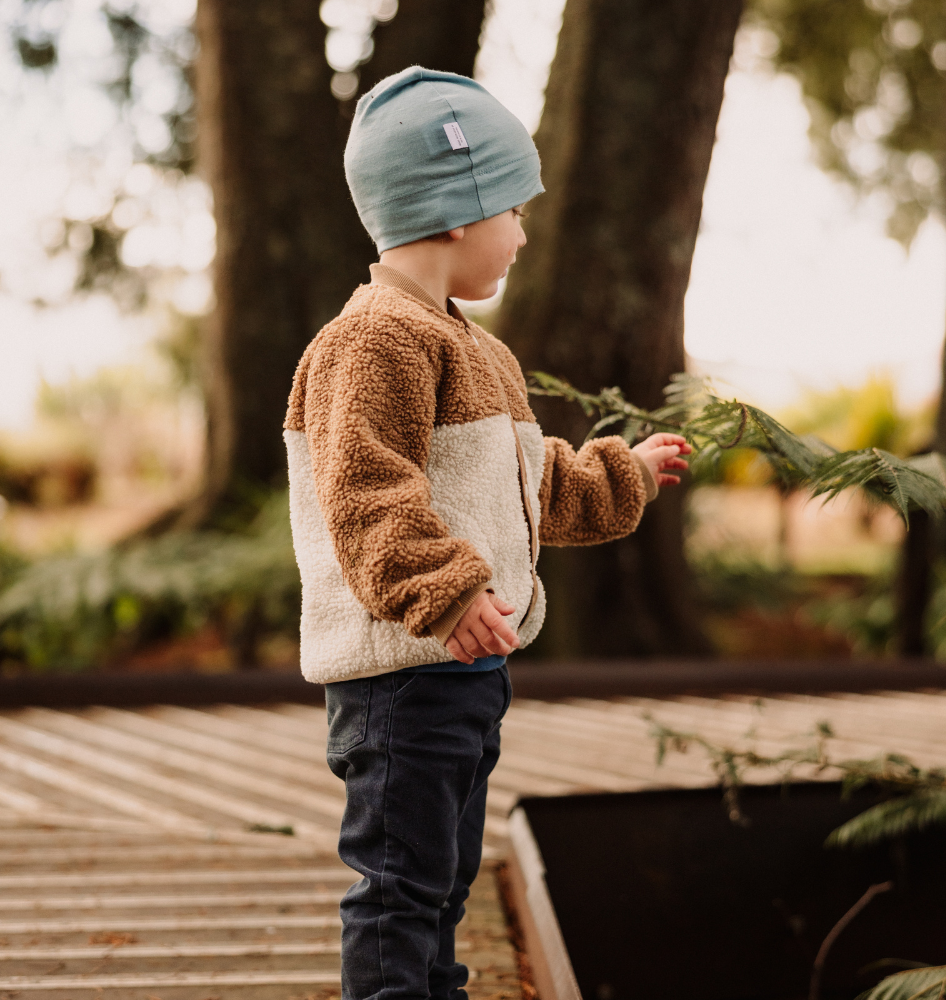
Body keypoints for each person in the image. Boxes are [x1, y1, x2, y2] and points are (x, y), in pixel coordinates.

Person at [283, 65, 691, 1000]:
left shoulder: (478, 351)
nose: (522, 231)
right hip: (402, 671)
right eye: (515, 208)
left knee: (444, 879)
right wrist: (450, 588)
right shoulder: (372, 340)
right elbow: (365, 490)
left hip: (468, 671)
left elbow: (524, 486)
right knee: (397, 882)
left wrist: (620, 473)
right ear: (456, 208)